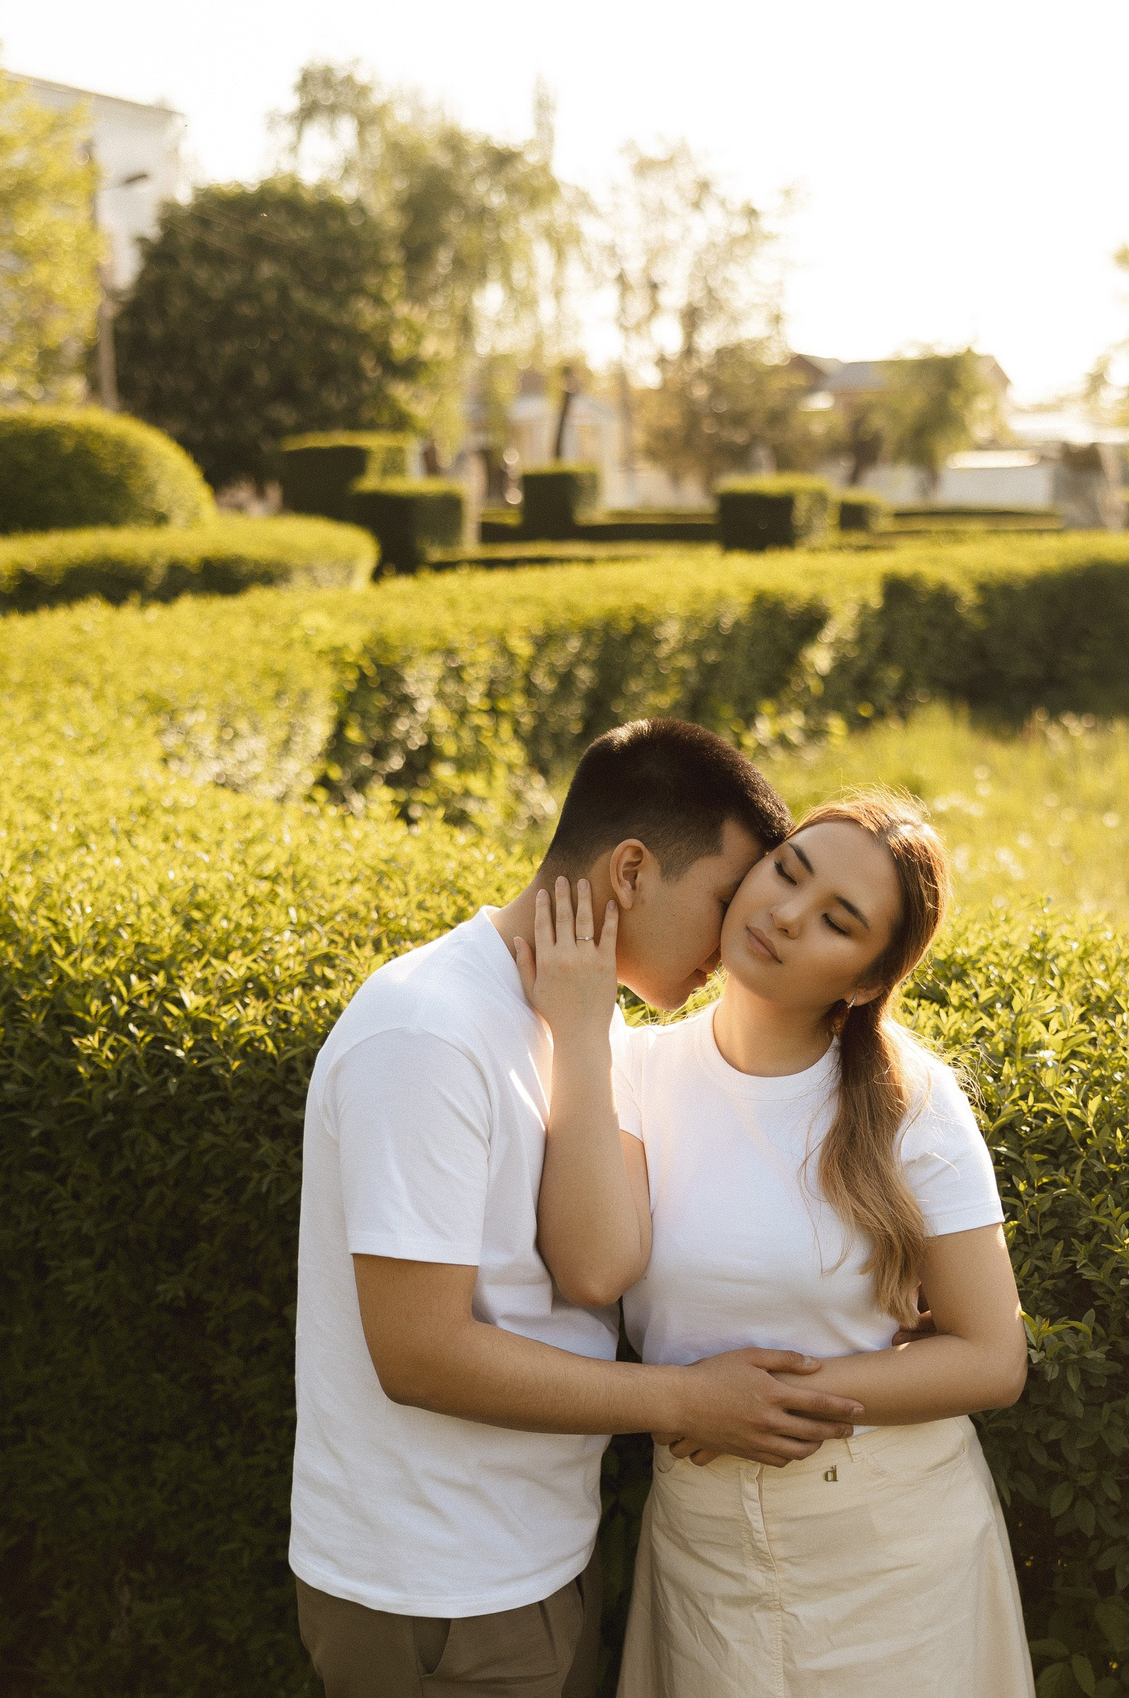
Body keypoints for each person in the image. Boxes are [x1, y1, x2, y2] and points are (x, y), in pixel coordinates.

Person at [291, 719, 877, 1698]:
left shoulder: (575, 1015)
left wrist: (582, 1030)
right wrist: (688, 1401)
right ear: (633, 870)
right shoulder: (428, 1032)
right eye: (726, 898)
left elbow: (593, 1273)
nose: (740, 936)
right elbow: (418, 1354)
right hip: (439, 1593)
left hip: (535, 1561)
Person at [517, 790, 1033, 1697]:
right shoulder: (635, 1070)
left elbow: (993, 1356)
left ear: (867, 978)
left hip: (894, 1553)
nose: (787, 914)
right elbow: (594, 1266)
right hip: (704, 1550)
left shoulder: (914, 1100)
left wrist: (747, 1401)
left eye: (837, 921)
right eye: (788, 870)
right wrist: (581, 1029)